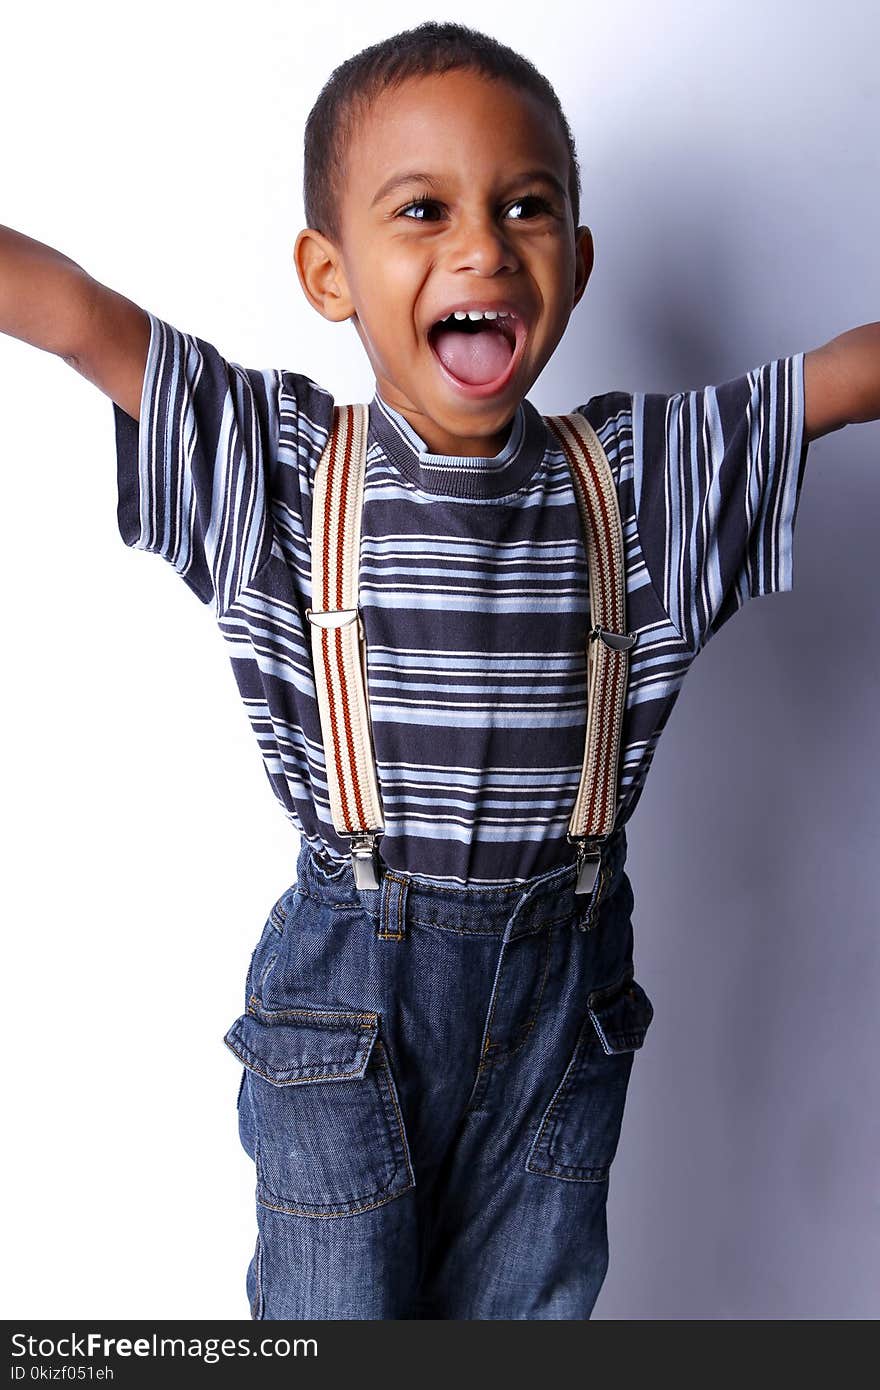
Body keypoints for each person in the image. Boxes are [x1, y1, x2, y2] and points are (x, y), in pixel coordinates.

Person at [2, 19, 877, 1322]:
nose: (482, 245)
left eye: (526, 209)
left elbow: (842, 381)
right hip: (348, 1002)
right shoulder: (279, 469)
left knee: (526, 1324)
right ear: (328, 270)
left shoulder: (643, 482)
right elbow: (78, 319)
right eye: (424, 209)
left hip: (560, 1012)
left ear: (575, 265)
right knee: (333, 1326)